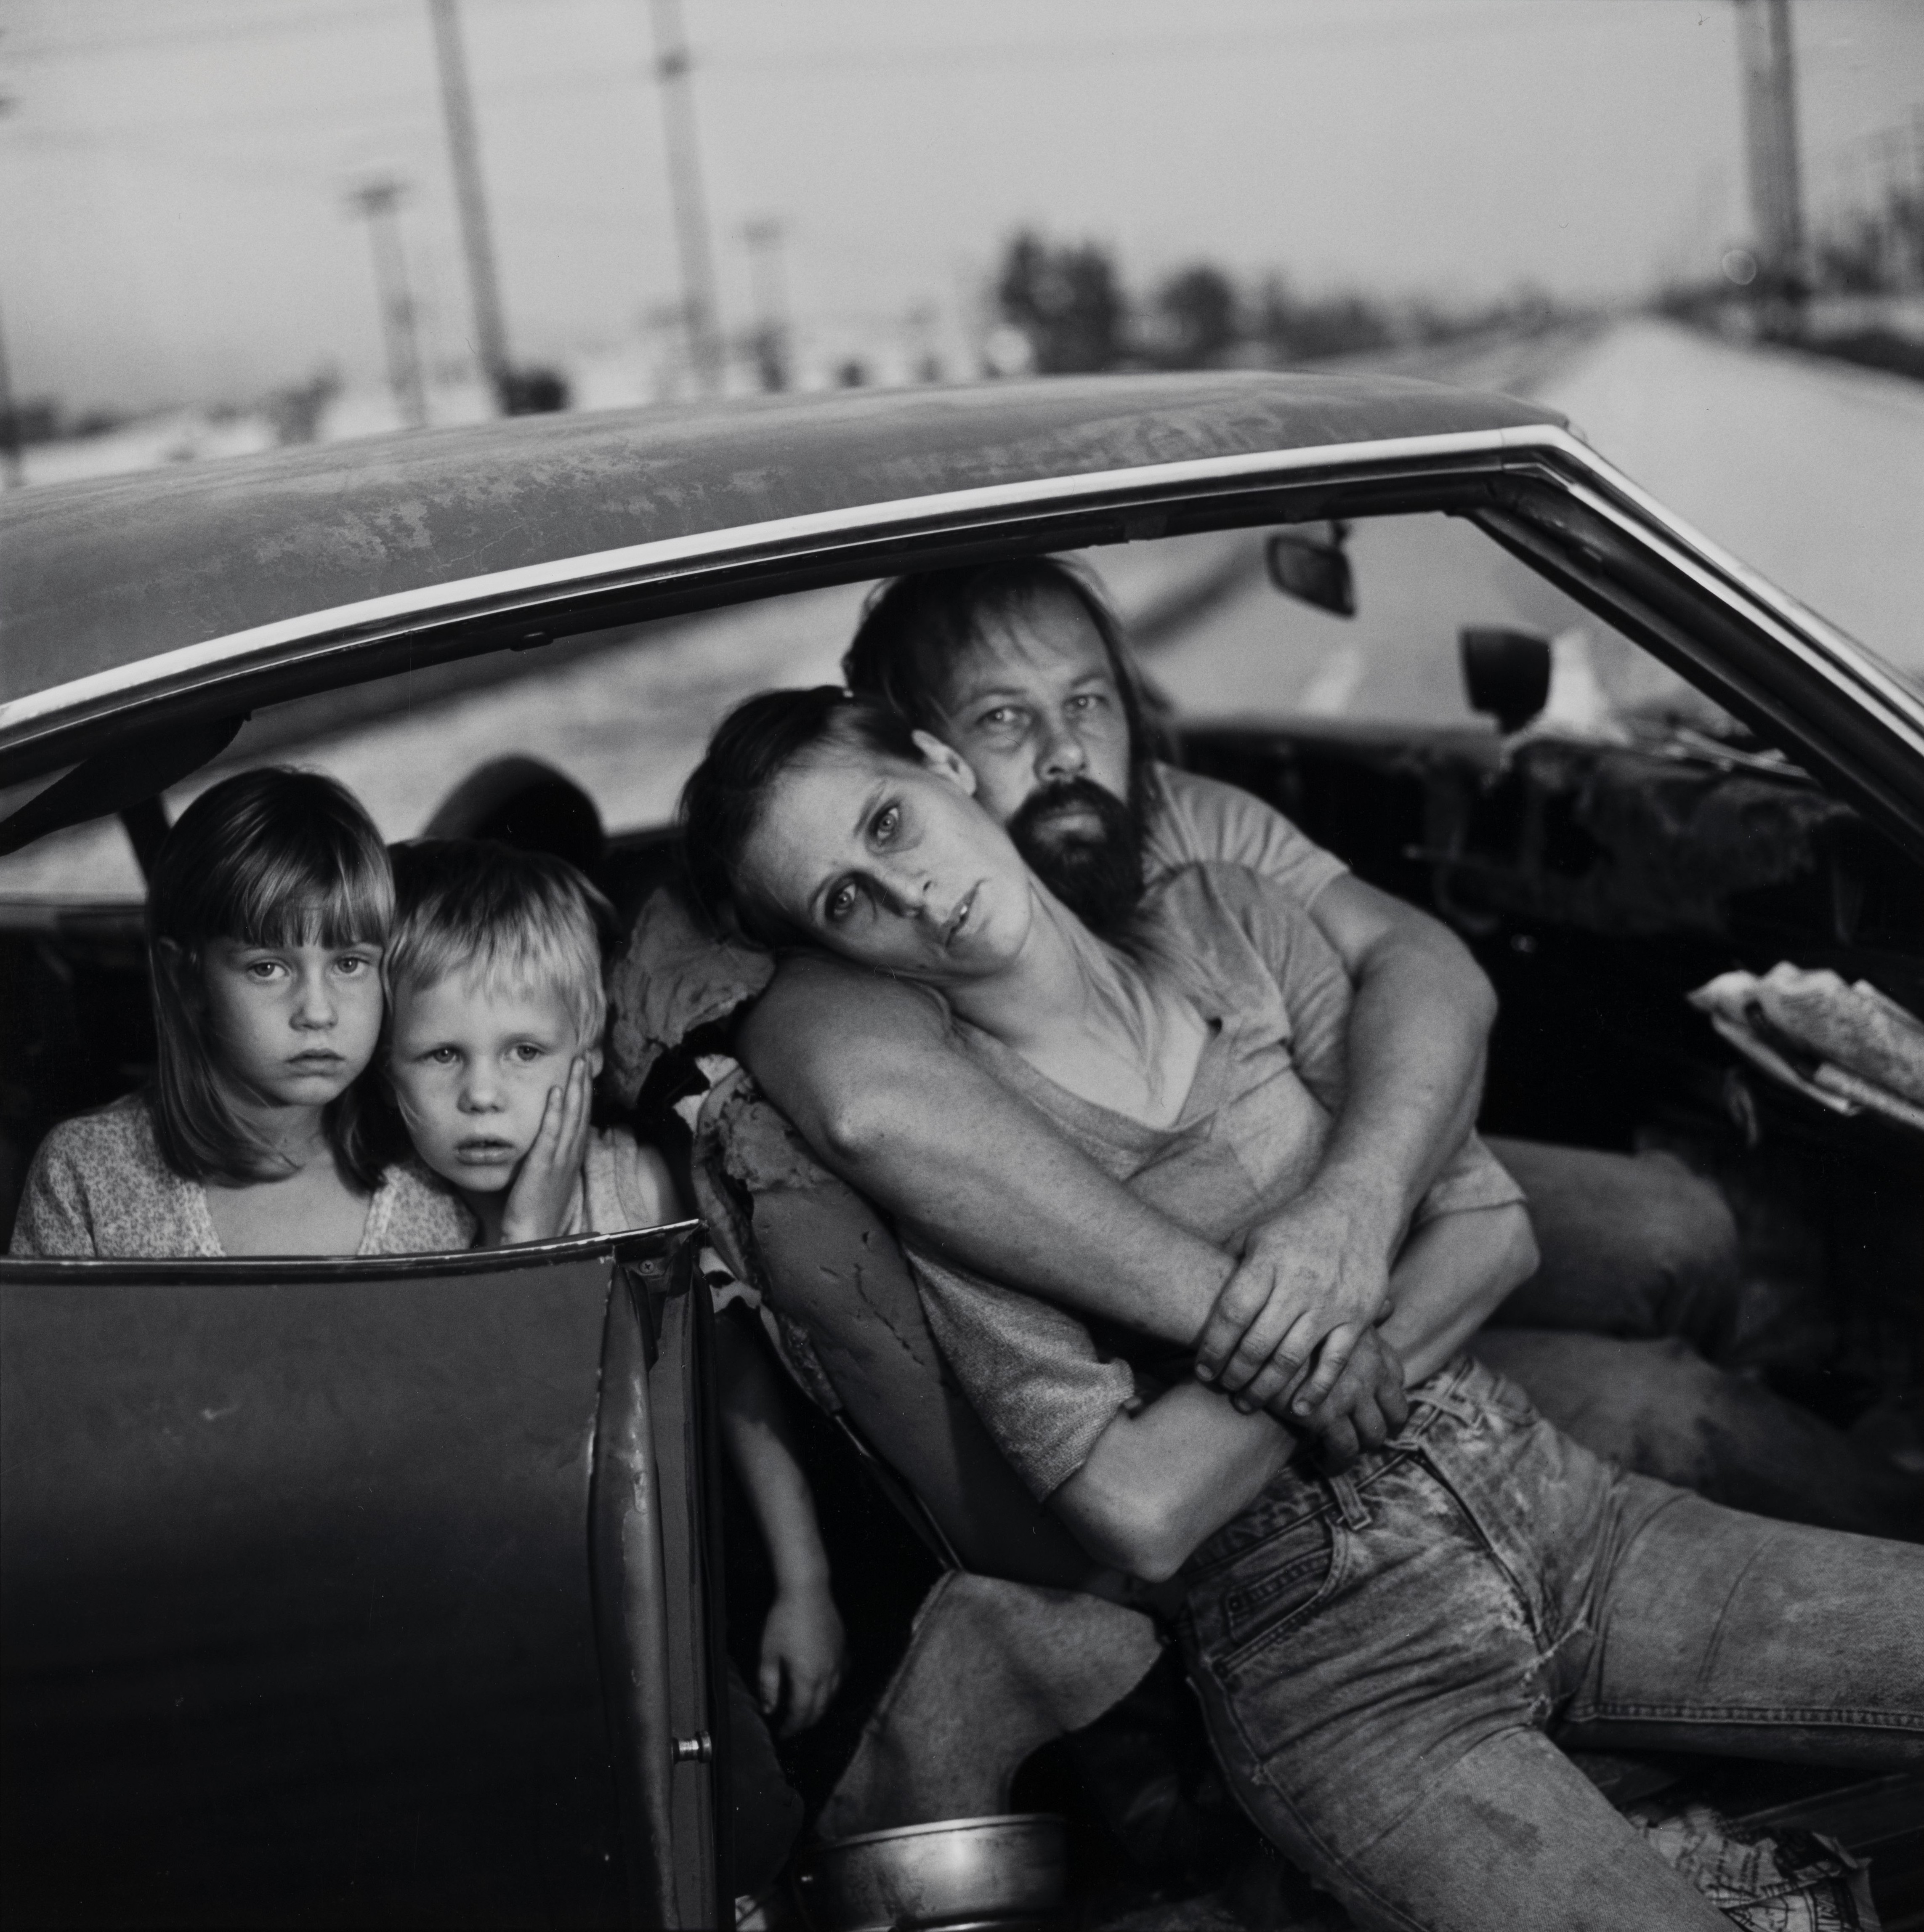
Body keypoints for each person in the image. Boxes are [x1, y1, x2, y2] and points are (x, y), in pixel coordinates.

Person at [679, 686, 1924, 1932]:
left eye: (890, 823)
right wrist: (1333, 1352)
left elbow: (1493, 1232)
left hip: (1559, 1500)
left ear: (948, 765)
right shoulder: (964, 1167)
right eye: (847, 900)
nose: (906, 893)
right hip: (1330, 1656)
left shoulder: (1231, 920)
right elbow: (1138, 1509)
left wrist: (1337, 1242)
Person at [739, 559, 1743, 1427]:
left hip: (1364, 1195)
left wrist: (1358, 1204)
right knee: (1663, 1406)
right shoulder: (887, 920)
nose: (1066, 752)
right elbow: (850, 1087)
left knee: (1679, 1231)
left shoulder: (1181, 819)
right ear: (935, 756)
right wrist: (1302, 1327)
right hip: (1231, 1363)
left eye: (1088, 702)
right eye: (1005, 716)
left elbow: (1426, 963)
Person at [381, 838, 843, 1900]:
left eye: (525, 1050)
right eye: (440, 1057)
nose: (486, 1096)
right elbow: (471, 1440)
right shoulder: (394, 1216)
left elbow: (734, 1380)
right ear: (385, 1061)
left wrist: (805, 1579)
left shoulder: (637, 1182)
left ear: (587, 1047)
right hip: (492, 1635)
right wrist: (530, 1235)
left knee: (744, 1826)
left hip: (657, 1604)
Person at [9, 768, 471, 1259]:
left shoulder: (437, 1168)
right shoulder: (89, 1174)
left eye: (350, 963)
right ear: (188, 979)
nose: (317, 1012)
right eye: (268, 968)